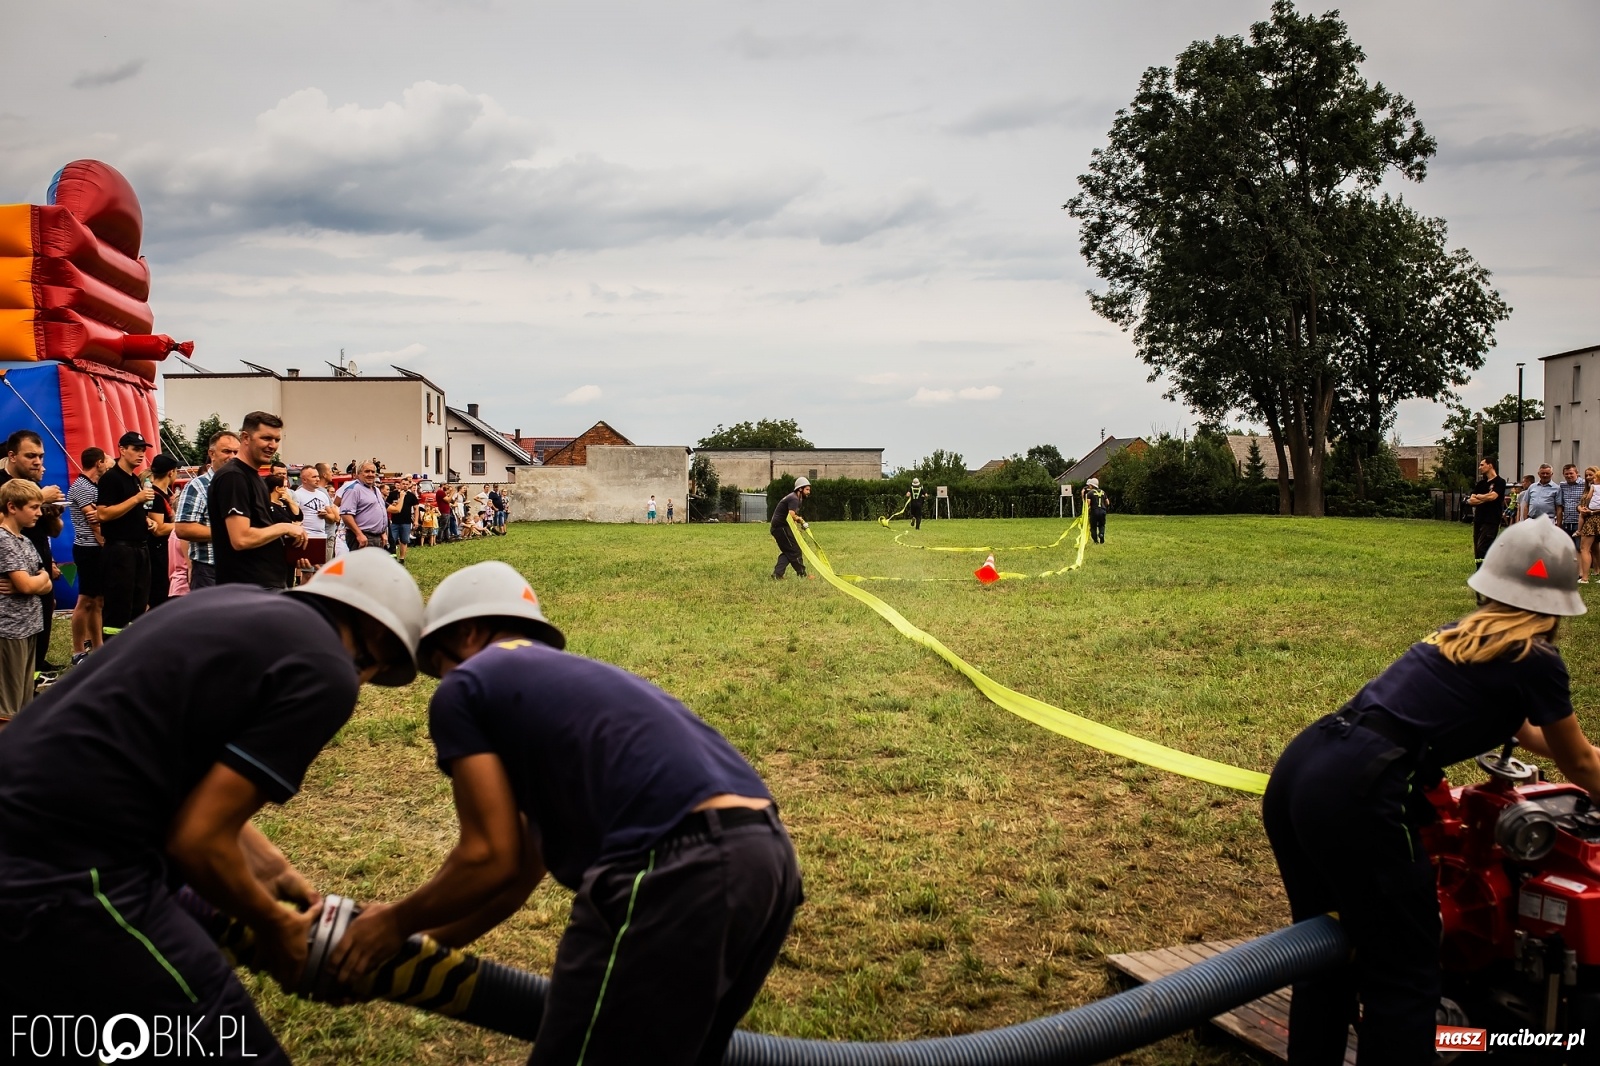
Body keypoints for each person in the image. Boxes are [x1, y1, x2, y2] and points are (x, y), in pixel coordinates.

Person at [327, 561, 803, 1066]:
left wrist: (391, 923)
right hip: (767, 862)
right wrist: (409, 948)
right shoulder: (575, 690)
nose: (444, 680)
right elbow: (515, 875)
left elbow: (487, 855)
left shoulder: (467, 685)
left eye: (440, 665)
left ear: (466, 634)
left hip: (674, 871)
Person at [0, 548, 425, 1061]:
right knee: (225, 1035)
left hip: (26, 821)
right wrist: (276, 927)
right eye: (376, 672)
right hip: (69, 866)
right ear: (380, 642)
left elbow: (191, 784)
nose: (364, 682)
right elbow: (198, 840)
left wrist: (282, 876)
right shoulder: (326, 667)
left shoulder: (228, 604)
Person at [1263, 518, 1600, 1064]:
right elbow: (1579, 761)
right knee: (1405, 976)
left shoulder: (1460, 636)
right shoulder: (1536, 658)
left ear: (1486, 584)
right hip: (1363, 792)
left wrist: (1587, 761)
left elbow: (1537, 736)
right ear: (1559, 603)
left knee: (1328, 958)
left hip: (1306, 766)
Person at [209, 413, 306, 589]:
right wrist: (285, 527)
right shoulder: (234, 477)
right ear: (245, 438)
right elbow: (241, 539)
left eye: (276, 440)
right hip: (249, 588)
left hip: (267, 583)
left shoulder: (254, 477)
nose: (273, 445)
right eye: (266, 438)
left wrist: (293, 551)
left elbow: (261, 529)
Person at [0, 430, 65, 670]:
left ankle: (33, 687)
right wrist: (40, 496)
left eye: (41, 456)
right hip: (11, 575)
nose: (37, 461)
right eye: (30, 456)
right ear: (12, 456)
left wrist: (52, 512)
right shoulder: (4, 483)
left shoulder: (37, 485)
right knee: (13, 644)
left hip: (39, 567)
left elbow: (55, 531)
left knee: (41, 633)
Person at [96, 430, 157, 633]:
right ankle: (113, 655)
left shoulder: (134, 479)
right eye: (136, 449)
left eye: (143, 450)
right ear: (122, 450)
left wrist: (146, 520)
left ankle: (133, 652)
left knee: (138, 606)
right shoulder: (111, 478)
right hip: (120, 551)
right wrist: (136, 500)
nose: (141, 454)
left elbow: (129, 511)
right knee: (118, 608)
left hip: (140, 548)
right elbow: (103, 514)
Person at [0, 479, 49, 721]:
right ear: (12, 507)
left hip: (29, 628)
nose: (40, 513)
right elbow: (26, 584)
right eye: (33, 507)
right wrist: (36, 581)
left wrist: (39, 580)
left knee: (22, 702)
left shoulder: (25, 540)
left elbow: (45, 582)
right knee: (7, 708)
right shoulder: (3, 540)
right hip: (10, 631)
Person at [175, 431, 241, 592]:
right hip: (210, 571)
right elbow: (183, 528)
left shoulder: (242, 485)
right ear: (211, 454)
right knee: (211, 617)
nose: (232, 456)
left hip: (242, 569)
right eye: (226, 451)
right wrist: (230, 533)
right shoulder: (198, 485)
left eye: (236, 452)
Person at [67, 446, 110, 656]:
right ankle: (78, 651)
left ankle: (98, 646)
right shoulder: (82, 486)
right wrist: (106, 545)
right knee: (85, 600)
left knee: (98, 601)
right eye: (106, 460)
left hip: (96, 549)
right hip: (88, 548)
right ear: (98, 462)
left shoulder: (94, 485)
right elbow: (95, 521)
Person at [146, 453, 179, 610]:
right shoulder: (155, 496)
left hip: (165, 552)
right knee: (159, 598)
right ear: (171, 472)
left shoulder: (164, 495)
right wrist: (183, 526)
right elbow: (158, 529)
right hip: (157, 554)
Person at [293, 464, 334, 583]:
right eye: (314, 477)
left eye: (318, 476)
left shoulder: (322, 495)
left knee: (320, 575)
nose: (317, 479)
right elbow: (294, 517)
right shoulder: (297, 495)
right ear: (304, 479)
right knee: (308, 574)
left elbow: (333, 518)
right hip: (307, 538)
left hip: (322, 537)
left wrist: (325, 514)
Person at [266, 462, 303, 587]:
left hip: (289, 551)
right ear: (277, 488)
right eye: (283, 487)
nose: (286, 489)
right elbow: (288, 523)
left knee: (289, 582)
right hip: (275, 552)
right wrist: (293, 525)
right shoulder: (268, 506)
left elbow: (299, 516)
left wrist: (289, 500)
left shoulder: (285, 503)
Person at [341, 461, 390, 553]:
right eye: (367, 471)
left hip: (377, 537)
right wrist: (359, 534)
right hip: (363, 537)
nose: (370, 474)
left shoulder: (376, 490)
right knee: (362, 567)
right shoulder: (353, 490)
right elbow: (346, 515)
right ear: (358, 474)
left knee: (375, 567)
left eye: (372, 472)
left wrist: (382, 532)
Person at [1466, 457, 1506, 568]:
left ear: (1490, 465)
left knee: (1483, 547)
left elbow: (1493, 497)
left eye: (1482, 465)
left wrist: (1480, 497)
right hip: (1479, 519)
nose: (1480, 467)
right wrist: (1484, 498)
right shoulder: (1480, 484)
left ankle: (1488, 570)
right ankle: (1479, 570)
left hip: (1491, 520)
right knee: (1477, 549)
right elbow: (1471, 500)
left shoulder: (1500, 482)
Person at [770, 477, 811, 579]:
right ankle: (802, 575)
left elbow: (791, 518)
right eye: (807, 489)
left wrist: (796, 531)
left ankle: (777, 575)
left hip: (780, 528)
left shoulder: (796, 498)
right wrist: (800, 520)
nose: (809, 492)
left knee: (788, 551)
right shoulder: (794, 498)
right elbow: (791, 515)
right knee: (795, 551)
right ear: (800, 489)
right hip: (781, 528)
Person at [387, 476, 419, 565]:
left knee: (404, 540)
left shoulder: (411, 496)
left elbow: (416, 508)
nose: (405, 486)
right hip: (394, 522)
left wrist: (416, 520)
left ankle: (402, 559)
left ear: (409, 485)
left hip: (406, 522)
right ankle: (392, 558)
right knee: (392, 541)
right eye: (403, 484)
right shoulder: (392, 494)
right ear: (399, 485)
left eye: (406, 484)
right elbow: (386, 505)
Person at [1558, 463, 1585, 546]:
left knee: (1579, 547)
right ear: (1563, 474)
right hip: (1566, 522)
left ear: (1577, 473)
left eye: (1571, 473)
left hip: (1580, 522)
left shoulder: (1585, 484)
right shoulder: (1562, 485)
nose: (1569, 476)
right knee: (1568, 549)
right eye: (1566, 474)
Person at [1582, 467, 1600, 585]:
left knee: (1584, 548)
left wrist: (1590, 510)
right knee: (1591, 548)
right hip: (1589, 515)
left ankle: (1584, 578)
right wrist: (1581, 508)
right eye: (1587, 475)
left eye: (1591, 476)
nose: (1589, 478)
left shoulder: (1593, 488)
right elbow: (1581, 503)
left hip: (1592, 519)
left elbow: (1587, 500)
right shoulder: (1586, 489)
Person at [1083, 477, 1109, 544]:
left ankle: (1096, 541)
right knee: (1102, 525)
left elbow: (1088, 504)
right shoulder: (1103, 492)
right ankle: (1101, 534)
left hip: (1094, 511)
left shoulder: (1090, 493)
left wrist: (1087, 511)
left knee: (1093, 527)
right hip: (1103, 511)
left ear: (1092, 485)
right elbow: (1107, 502)